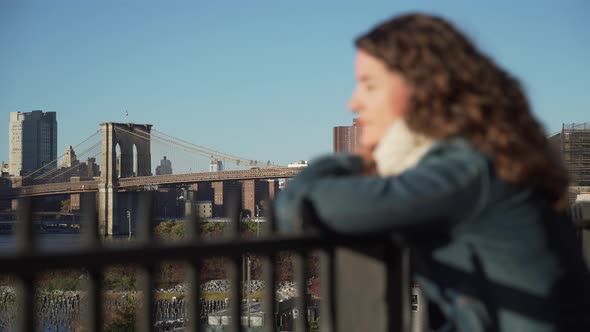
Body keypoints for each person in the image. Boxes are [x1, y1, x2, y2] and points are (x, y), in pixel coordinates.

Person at [275, 13, 590, 331]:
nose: (353, 102)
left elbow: (296, 208)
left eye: (369, 86)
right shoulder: (491, 159)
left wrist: (355, 162)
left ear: (423, 88)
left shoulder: (465, 171)